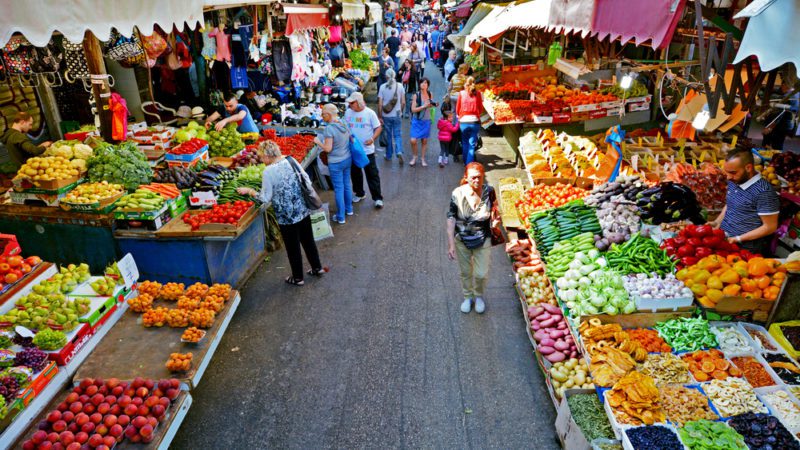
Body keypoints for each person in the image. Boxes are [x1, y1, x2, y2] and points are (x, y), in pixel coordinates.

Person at [236, 140, 328, 287]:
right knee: (308, 240)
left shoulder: (268, 171)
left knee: (293, 247)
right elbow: (306, 180)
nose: (261, 160)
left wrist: (250, 191)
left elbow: (265, 198)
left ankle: (298, 277)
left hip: (286, 216)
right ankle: (317, 268)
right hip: (302, 209)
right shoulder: (291, 160)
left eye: (261, 157)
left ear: (267, 156)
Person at [446, 162, 500, 314]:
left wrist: (496, 220)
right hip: (462, 239)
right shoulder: (457, 193)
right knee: (465, 272)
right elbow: (451, 218)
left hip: (483, 237)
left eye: (479, 177)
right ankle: (468, 297)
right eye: (473, 178)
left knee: (481, 273)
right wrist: (451, 245)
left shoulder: (489, 191)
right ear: (466, 177)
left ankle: (479, 295)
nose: (476, 181)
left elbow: (495, 208)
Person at [710, 149, 780, 254]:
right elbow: (730, 204)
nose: (728, 177)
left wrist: (738, 239)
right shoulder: (735, 180)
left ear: (748, 168)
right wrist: (717, 222)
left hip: (745, 250)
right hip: (724, 242)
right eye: (727, 172)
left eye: (733, 172)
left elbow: (770, 227)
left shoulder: (764, 191)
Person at [314, 104, 353, 224]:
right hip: (347, 159)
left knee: (339, 188)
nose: (322, 116)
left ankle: (341, 217)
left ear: (329, 115)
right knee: (346, 184)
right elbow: (350, 138)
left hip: (336, 163)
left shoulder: (329, 129)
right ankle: (349, 209)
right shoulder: (343, 123)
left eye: (323, 114)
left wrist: (318, 142)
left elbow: (327, 149)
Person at [344, 92, 384, 209]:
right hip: (353, 149)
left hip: (367, 150)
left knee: (372, 174)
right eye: (349, 103)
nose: (350, 105)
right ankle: (359, 193)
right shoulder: (348, 112)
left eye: (352, 103)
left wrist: (372, 139)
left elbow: (378, 128)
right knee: (355, 173)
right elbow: (345, 127)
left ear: (359, 102)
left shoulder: (370, 113)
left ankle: (377, 198)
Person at [377, 68, 406, 164]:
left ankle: (389, 155)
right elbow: (403, 102)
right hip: (397, 114)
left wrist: (380, 116)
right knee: (397, 134)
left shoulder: (382, 87)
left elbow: (380, 104)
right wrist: (400, 112)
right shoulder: (400, 86)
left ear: (386, 76)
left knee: (388, 135)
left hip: (386, 115)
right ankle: (399, 151)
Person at [456, 76, 484, 165]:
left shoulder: (461, 93)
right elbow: (480, 108)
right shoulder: (478, 93)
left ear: (465, 84)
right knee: (472, 144)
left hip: (463, 122)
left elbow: (457, 108)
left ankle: (465, 162)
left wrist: (459, 115)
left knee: (464, 142)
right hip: (474, 122)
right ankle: (469, 163)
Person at [409, 77, 435, 167]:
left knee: (424, 140)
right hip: (417, 120)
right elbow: (413, 109)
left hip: (426, 120)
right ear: (419, 84)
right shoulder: (416, 95)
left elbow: (430, 106)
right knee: (413, 140)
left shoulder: (430, 94)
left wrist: (433, 105)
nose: (423, 84)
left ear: (428, 85)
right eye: (421, 83)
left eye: (425, 83)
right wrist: (423, 106)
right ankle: (414, 156)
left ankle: (422, 158)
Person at [437, 103, 459, 167]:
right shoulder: (449, 124)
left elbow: (438, 127)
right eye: (450, 117)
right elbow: (453, 130)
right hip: (447, 139)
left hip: (441, 138)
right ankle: (446, 160)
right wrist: (458, 124)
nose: (452, 118)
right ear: (447, 118)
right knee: (447, 149)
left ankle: (440, 159)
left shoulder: (440, 122)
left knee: (442, 149)